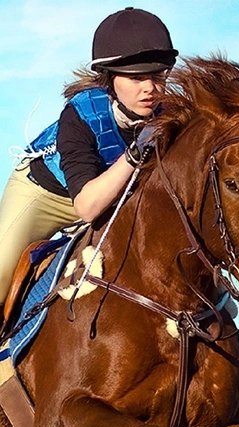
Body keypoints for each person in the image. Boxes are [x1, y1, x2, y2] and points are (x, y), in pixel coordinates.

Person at [0, 7, 178, 318]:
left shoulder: (171, 114)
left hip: (116, 199)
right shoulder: (80, 114)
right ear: (110, 79)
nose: (150, 88)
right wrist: (136, 153)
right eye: (136, 77)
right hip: (46, 195)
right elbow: (86, 207)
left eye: (158, 75)